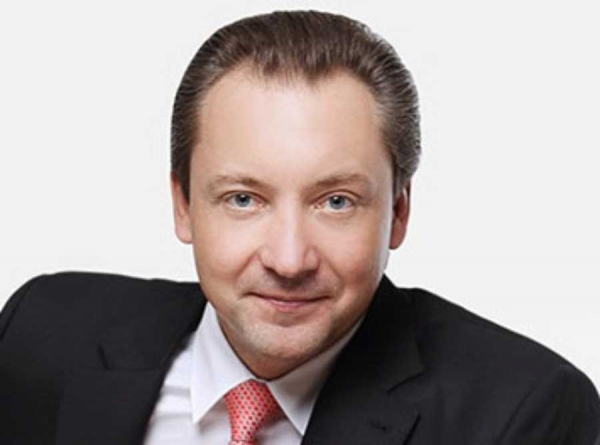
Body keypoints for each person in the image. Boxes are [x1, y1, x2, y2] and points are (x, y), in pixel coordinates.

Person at [0, 10, 598, 445]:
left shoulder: (523, 413)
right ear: (183, 205)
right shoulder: (40, 331)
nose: (289, 260)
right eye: (243, 199)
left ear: (398, 212)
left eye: (335, 202)